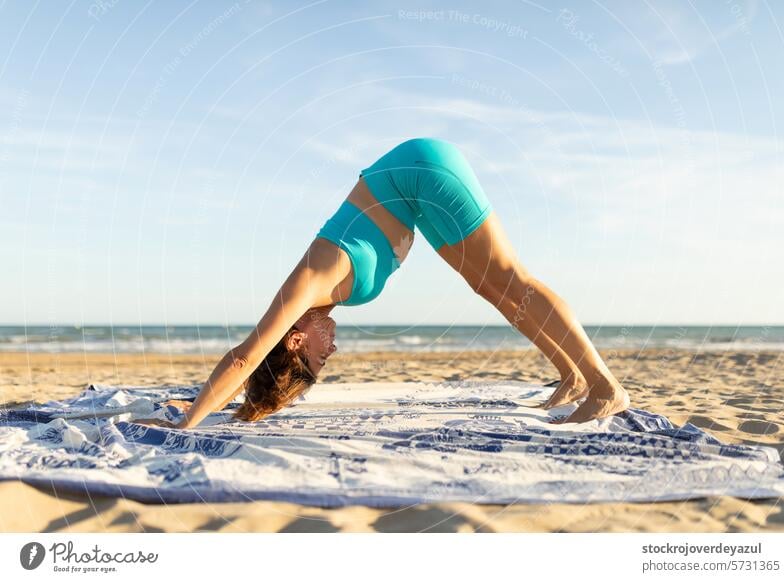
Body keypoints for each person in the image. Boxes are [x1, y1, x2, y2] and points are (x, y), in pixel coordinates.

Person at [135, 137, 629, 430]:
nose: (331, 353)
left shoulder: (306, 286)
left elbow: (244, 358)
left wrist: (189, 423)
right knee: (490, 288)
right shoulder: (321, 302)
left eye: (316, 357)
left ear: (296, 339)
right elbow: (252, 378)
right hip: (412, 196)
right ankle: (572, 375)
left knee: (510, 278)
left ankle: (605, 385)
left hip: (420, 173)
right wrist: (226, 405)